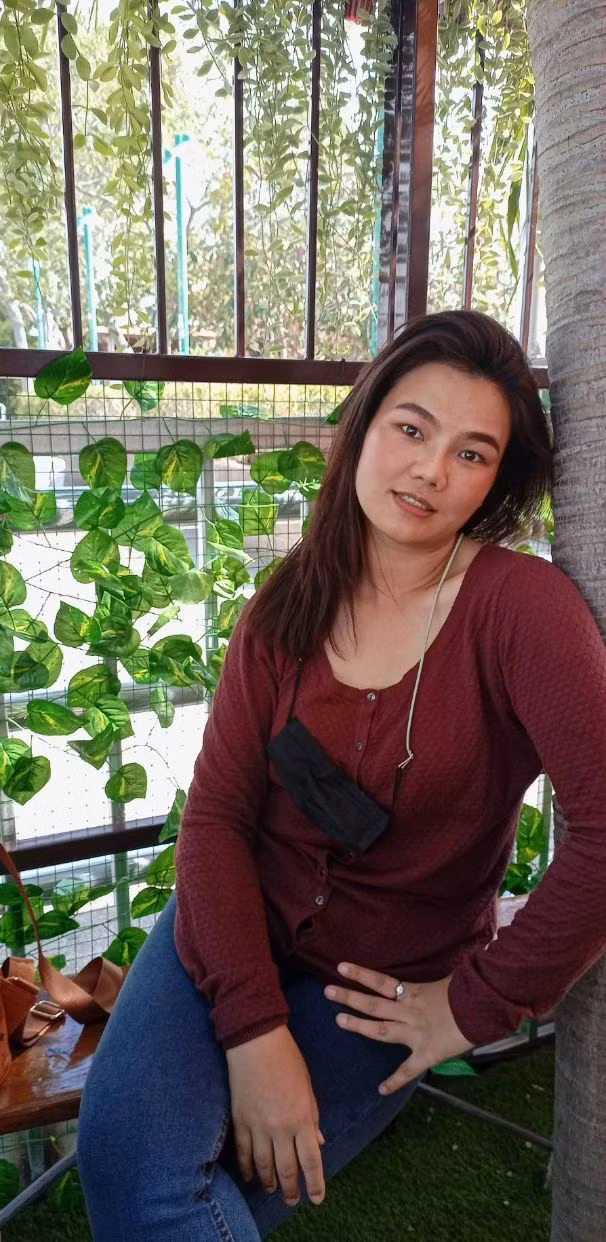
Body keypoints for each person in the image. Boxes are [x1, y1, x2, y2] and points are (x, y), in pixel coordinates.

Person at [78, 309, 606, 1241]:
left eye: (472, 453)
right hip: (228, 923)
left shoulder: (523, 611)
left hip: (380, 990)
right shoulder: (287, 601)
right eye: (411, 428)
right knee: (125, 1162)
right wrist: (252, 1029)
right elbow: (218, 818)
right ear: (362, 426)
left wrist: (474, 1006)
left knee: (181, 1197)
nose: (431, 470)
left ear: (497, 479)